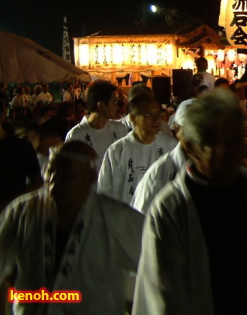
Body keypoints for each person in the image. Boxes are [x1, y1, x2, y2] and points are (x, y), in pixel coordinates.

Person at [132, 89, 247, 315]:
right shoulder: (171, 206)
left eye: (236, 139)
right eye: (217, 141)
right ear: (190, 147)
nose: (231, 150)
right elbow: (163, 290)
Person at [0, 141, 143, 315]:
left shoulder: (116, 218)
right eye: (51, 171)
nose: (54, 181)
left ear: (89, 178)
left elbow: (156, 265)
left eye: (65, 175)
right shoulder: (22, 212)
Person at [97, 95, 178, 205]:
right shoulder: (117, 150)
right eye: (149, 115)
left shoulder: (171, 146)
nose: (156, 119)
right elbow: (105, 192)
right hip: (127, 217)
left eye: (158, 114)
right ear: (133, 118)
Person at [65, 81, 129, 171]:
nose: (117, 107)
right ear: (101, 105)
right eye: (114, 102)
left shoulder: (119, 129)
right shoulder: (76, 135)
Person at [0, 98, 43, 212]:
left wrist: (10, 202)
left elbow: (37, 181)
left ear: (3, 115)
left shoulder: (20, 146)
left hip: (12, 215)